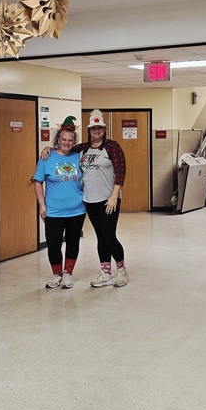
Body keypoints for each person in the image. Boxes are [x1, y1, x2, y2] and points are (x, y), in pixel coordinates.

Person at [44, 109, 128, 287]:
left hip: (108, 200)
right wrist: (49, 148)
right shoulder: (82, 149)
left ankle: (121, 269)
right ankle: (106, 273)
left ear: (104, 129)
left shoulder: (112, 147)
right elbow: (64, 148)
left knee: (109, 236)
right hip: (90, 200)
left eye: (100, 128)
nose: (96, 131)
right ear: (89, 131)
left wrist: (114, 196)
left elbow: (121, 171)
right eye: (93, 128)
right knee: (101, 236)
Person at [33, 118, 86, 289]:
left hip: (77, 210)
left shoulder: (79, 157)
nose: (67, 143)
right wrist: (42, 205)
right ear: (58, 140)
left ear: (74, 142)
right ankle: (56, 275)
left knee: (72, 243)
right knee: (54, 245)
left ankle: (68, 275)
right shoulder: (46, 158)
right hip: (53, 211)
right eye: (64, 139)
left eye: (70, 140)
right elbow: (37, 182)